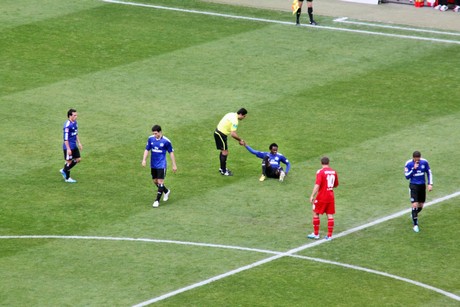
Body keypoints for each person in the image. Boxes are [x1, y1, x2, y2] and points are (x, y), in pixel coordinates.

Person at [142, 125, 177, 208]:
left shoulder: (166, 141)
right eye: (153, 133)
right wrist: (144, 160)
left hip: (161, 165)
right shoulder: (151, 139)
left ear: (160, 132)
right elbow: (147, 149)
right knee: (155, 181)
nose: (155, 135)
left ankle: (157, 201)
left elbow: (171, 153)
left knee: (160, 182)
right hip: (153, 164)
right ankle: (166, 191)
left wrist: (174, 165)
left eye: (156, 133)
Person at [307, 157, 339, 241]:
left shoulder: (320, 172)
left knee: (315, 212)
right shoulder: (334, 172)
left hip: (322, 196)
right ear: (328, 163)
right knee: (330, 215)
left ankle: (316, 234)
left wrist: (312, 195)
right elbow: (335, 185)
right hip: (330, 196)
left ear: (321, 163)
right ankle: (329, 236)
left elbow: (317, 185)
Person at [404, 151, 433, 233]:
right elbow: (407, 176)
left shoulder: (424, 162)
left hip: (422, 186)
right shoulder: (409, 164)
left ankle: (414, 213)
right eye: (416, 159)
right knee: (415, 204)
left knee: (421, 205)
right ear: (413, 158)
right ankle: (415, 225)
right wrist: (414, 169)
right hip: (413, 186)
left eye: (418, 159)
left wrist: (430, 184)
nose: (418, 160)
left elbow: (429, 172)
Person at [214, 108, 247, 176]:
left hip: (218, 132)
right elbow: (233, 134)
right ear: (240, 114)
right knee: (225, 152)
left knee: (223, 151)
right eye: (244, 116)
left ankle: (222, 168)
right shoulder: (235, 121)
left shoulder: (230, 114)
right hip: (221, 134)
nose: (244, 118)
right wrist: (240, 140)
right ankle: (224, 171)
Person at [60, 108, 82, 183]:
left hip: (74, 146)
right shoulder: (67, 125)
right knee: (68, 162)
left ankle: (64, 170)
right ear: (70, 116)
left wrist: (79, 143)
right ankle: (67, 178)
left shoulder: (75, 123)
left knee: (78, 159)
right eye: (74, 115)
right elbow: (65, 139)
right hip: (68, 147)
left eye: (76, 115)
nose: (76, 116)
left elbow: (75, 134)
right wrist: (68, 149)